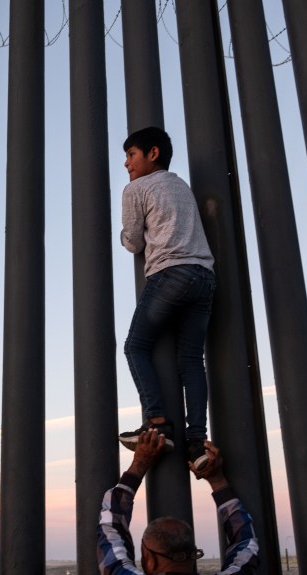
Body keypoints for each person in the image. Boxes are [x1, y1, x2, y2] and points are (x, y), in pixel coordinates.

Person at [116, 126, 216, 463]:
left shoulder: (137, 189)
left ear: (152, 153)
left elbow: (133, 242)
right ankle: (198, 442)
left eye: (131, 155)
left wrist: (125, 234)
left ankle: (158, 424)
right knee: (191, 361)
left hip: (170, 275)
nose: (127, 164)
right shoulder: (181, 185)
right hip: (204, 277)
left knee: (135, 346)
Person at [97, 430, 260, 575]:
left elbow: (111, 527)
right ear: (194, 553)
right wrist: (217, 480)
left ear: (150, 561)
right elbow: (245, 541)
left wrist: (140, 463)